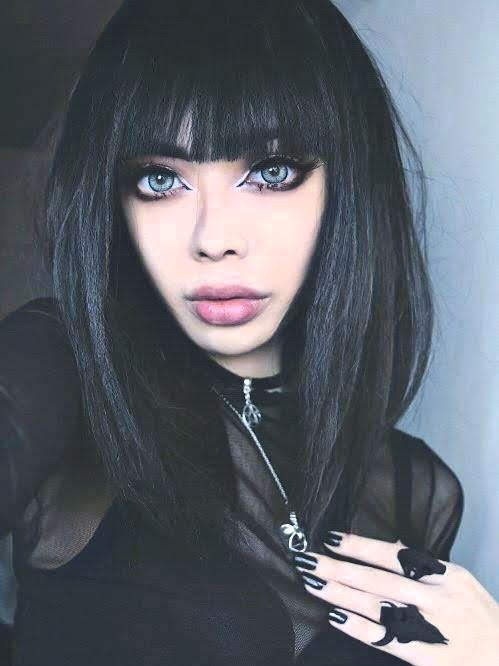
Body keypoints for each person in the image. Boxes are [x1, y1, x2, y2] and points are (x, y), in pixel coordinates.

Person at [1, 0, 498, 664]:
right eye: (160, 179)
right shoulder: (60, 369)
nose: (214, 238)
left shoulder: (414, 489)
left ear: (345, 187)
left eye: (270, 174)